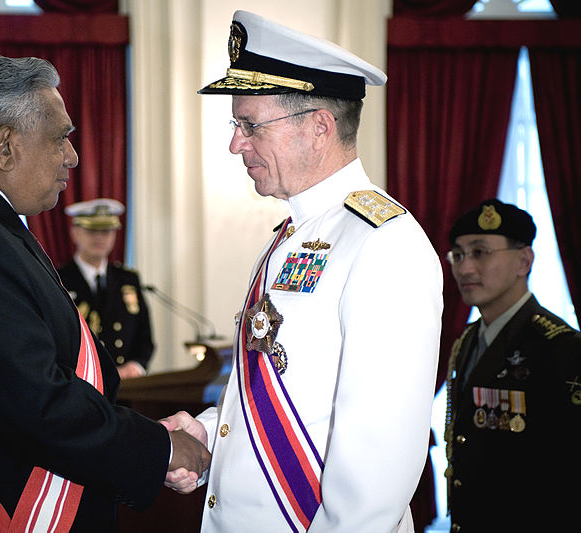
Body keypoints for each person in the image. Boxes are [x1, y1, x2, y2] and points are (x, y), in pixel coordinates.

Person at [0, 55, 209, 532]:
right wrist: (159, 448)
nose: (72, 156)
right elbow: (34, 401)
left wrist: (150, 435)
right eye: (60, 138)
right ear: (6, 146)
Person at [161, 11, 443, 533]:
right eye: (236, 124)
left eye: (250, 125)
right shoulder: (294, 234)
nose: (235, 144)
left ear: (318, 127)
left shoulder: (384, 242)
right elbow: (294, 391)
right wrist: (206, 432)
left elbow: (377, 468)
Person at [444, 199, 581, 532]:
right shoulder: (468, 340)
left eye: (480, 252)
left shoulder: (560, 348)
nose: (465, 269)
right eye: (458, 255)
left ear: (524, 261)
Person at [58, 198, 154, 379]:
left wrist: (136, 366)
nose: (99, 237)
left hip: (129, 387)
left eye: (106, 231)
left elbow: (144, 337)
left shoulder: (128, 279)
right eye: (92, 230)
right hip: (80, 385)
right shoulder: (59, 279)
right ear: (75, 233)